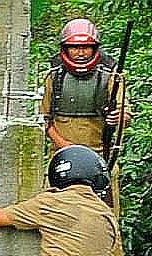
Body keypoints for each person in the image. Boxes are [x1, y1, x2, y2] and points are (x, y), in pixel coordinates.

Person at [40, 18, 132, 219]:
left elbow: (125, 115)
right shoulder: (54, 76)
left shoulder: (111, 75)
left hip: (100, 157)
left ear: (94, 48)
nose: (80, 53)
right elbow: (43, 119)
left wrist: (118, 117)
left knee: (104, 215)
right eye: (75, 47)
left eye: (86, 47)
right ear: (66, 49)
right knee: (57, 213)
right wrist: (65, 146)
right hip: (61, 157)